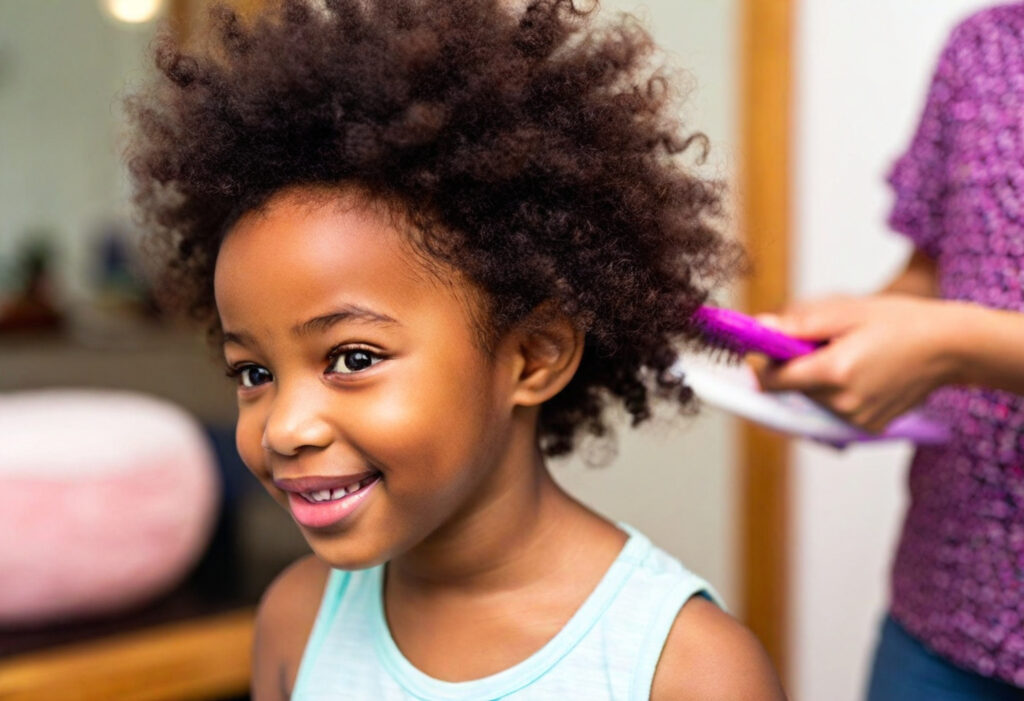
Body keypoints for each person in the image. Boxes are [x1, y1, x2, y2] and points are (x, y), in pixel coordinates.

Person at [126, 1, 784, 698]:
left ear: (532, 356)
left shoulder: (683, 667)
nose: (285, 428)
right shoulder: (297, 619)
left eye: (352, 358)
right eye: (253, 372)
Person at [756, 3, 1024, 698]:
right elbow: (935, 270)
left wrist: (949, 346)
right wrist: (851, 335)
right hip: (944, 604)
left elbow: (947, 329)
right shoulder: (981, 48)